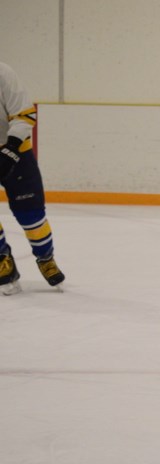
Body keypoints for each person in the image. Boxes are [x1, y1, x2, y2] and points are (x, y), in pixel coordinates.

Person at [0, 61, 65, 295]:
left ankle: (45, 257)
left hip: (16, 152)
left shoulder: (3, 72)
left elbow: (24, 114)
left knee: (31, 214)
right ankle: (2, 260)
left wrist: (10, 150)